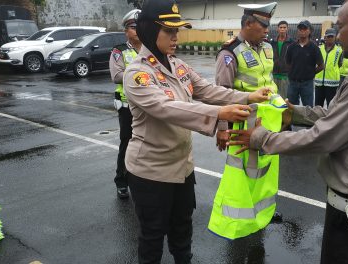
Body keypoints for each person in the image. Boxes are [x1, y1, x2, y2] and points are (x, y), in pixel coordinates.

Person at [228, 0, 348, 263]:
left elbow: (325, 136)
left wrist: (262, 139)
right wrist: (295, 112)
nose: (337, 36)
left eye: (340, 27)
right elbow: (339, 116)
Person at [123, 0, 271, 263]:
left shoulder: (177, 65)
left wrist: (248, 97)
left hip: (182, 168)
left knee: (182, 234)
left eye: (177, 31)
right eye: (169, 31)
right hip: (151, 173)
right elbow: (168, 108)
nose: (176, 37)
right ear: (148, 30)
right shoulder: (137, 73)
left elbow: (208, 90)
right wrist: (218, 115)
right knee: (152, 239)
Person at [214, 2, 283, 224]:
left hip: (267, 122)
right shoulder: (230, 52)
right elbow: (221, 94)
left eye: (268, 25)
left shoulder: (267, 48)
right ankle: (241, 215)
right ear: (248, 23)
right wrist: (223, 129)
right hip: (243, 123)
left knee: (264, 168)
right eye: (263, 25)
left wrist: (281, 108)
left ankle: (262, 210)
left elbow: (269, 82)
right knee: (243, 170)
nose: (266, 30)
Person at [109, 9, 142, 199]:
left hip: (148, 105)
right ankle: (121, 181)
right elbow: (116, 76)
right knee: (127, 143)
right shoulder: (119, 51)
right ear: (126, 30)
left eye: (139, 26)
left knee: (147, 144)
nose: (137, 30)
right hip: (127, 107)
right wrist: (141, 75)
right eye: (133, 27)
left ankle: (141, 180)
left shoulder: (151, 47)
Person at [286, 20, 324, 107]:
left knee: (308, 109)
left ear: (310, 31)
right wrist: (293, 73)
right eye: (300, 29)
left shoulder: (314, 48)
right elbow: (288, 63)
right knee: (290, 107)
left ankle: (306, 121)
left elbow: (321, 66)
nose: (302, 31)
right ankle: (293, 121)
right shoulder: (291, 47)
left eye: (305, 28)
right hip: (293, 83)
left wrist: (310, 73)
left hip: (307, 84)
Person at [314, 28, 343, 107]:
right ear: (325, 37)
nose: (330, 38)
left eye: (331, 36)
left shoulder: (339, 50)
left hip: (332, 83)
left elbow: (340, 64)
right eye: (328, 36)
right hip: (319, 82)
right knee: (317, 106)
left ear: (335, 37)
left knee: (331, 106)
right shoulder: (319, 49)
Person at [270, 20, 294, 99]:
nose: (282, 29)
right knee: (273, 98)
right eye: (281, 27)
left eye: (284, 27)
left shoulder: (292, 43)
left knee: (284, 100)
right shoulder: (272, 43)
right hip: (273, 75)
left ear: (287, 29)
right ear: (277, 29)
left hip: (285, 77)